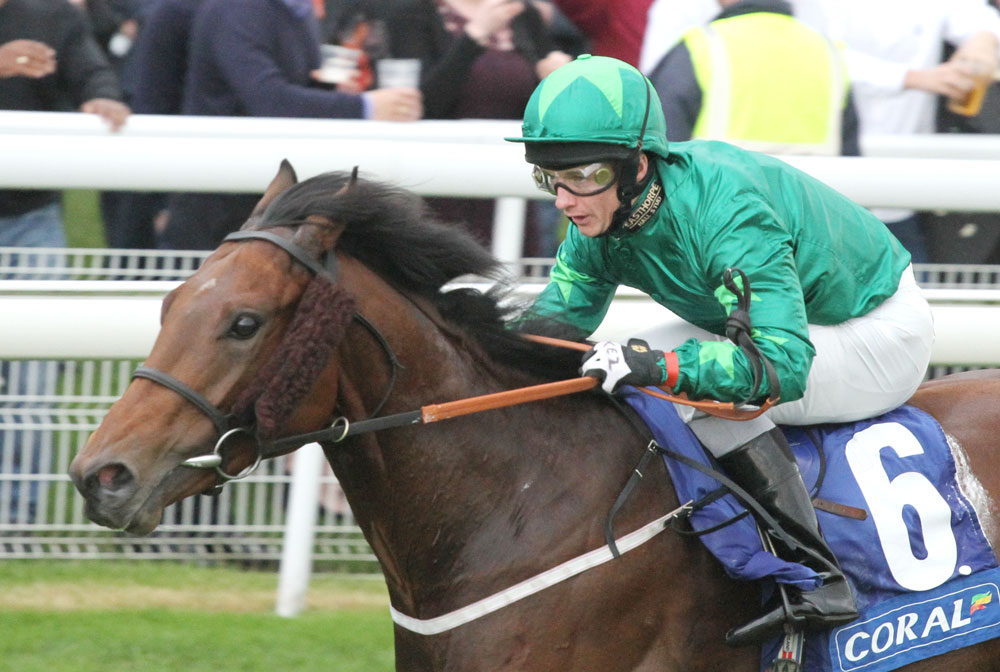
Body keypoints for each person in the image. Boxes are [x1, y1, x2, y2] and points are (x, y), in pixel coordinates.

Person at [506, 55, 934, 645]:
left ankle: (816, 577)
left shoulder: (724, 213)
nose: (565, 199)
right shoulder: (598, 220)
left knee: (667, 386)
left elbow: (779, 365)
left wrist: (660, 368)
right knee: (604, 373)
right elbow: (553, 329)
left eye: (583, 176)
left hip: (875, 331)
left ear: (638, 164)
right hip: (789, 331)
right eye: (549, 177)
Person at [0, 0, 131, 523]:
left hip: (33, 217)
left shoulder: (53, 15)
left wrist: (102, 98)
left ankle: (18, 522)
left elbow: (93, 71)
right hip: (33, 220)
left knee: (33, 378)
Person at [158, 0, 424, 251]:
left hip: (271, 192)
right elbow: (268, 100)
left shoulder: (295, 9)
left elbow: (285, 88)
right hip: (218, 199)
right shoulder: (237, 9)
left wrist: (332, 92)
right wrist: (366, 107)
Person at [798, 0, 1000, 263]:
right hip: (826, 194)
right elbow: (812, 51)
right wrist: (911, 78)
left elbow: (975, 17)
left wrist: (982, 42)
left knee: (916, 293)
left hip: (906, 197)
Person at [648, 0, 861, 156]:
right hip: (811, 211)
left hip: (719, 210)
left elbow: (659, 146)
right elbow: (851, 157)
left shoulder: (700, 47)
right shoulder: (828, 52)